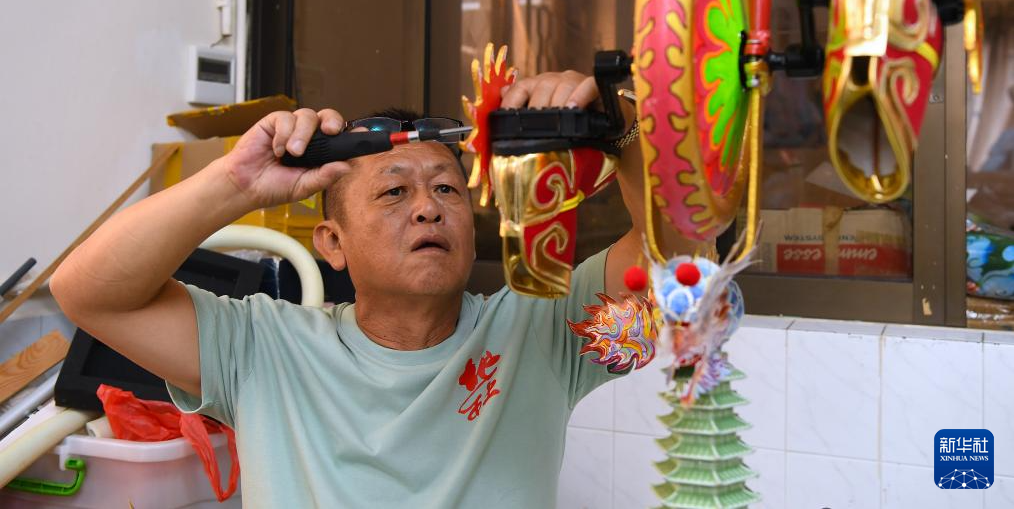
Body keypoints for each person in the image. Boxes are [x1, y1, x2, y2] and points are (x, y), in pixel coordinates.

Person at [50, 70, 654, 508]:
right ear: (332, 244)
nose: (428, 208)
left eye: (447, 189)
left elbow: (670, 251)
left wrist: (621, 125)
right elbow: (87, 292)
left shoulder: (540, 331)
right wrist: (236, 182)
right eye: (394, 192)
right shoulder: (263, 347)